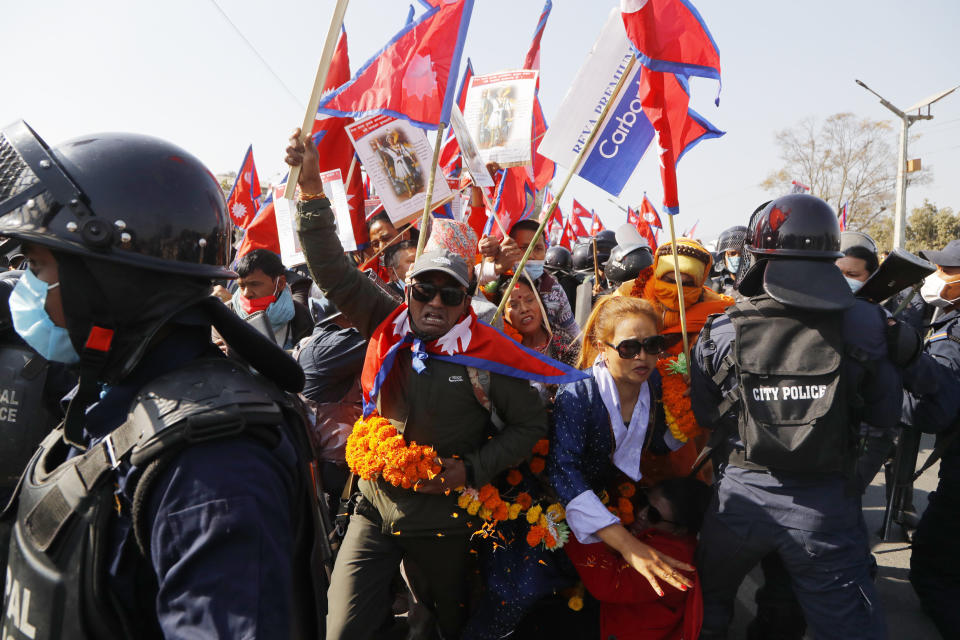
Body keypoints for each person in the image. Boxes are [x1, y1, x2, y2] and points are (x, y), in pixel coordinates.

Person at [0, 121, 323, 638]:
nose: (26, 289)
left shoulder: (213, 464)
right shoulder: (113, 399)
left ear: (109, 286)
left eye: (38, 267)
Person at [286, 129, 580, 640]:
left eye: (450, 293)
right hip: (372, 510)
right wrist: (311, 191)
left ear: (468, 300)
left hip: (446, 525)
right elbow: (333, 272)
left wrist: (470, 468)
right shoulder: (385, 320)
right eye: (425, 288)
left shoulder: (488, 356)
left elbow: (529, 423)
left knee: (443, 629)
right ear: (409, 289)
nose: (436, 303)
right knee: (342, 630)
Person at [690, 194, 906, 639]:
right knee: (846, 625)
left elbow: (705, 412)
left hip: (739, 503)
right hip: (825, 506)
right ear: (831, 252)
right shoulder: (869, 324)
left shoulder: (721, 327)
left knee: (707, 611)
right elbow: (886, 418)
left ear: (758, 254)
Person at [550, 295, 695, 597]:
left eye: (652, 345)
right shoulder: (578, 392)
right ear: (603, 348)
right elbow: (563, 471)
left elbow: (653, 442)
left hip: (616, 500)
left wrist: (688, 420)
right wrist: (628, 545)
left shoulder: (656, 384)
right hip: (562, 506)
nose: (642, 357)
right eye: (629, 348)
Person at [565, 477, 712, 640]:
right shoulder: (665, 531)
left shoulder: (675, 562)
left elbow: (608, 584)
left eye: (653, 515)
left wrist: (571, 523)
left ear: (680, 531)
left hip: (620, 628)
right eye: (643, 501)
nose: (641, 514)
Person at [907, 239, 960, 637]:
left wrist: (890, 396)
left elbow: (934, 412)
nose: (935, 277)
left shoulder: (952, 335)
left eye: (945, 270)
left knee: (933, 564)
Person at [231, 248, 313, 349]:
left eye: (255, 284)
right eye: (242, 286)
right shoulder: (226, 313)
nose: (247, 293)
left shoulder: (300, 316)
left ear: (280, 283)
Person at [707, 225, 747, 297]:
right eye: (732, 254)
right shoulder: (716, 287)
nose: (737, 257)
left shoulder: (762, 282)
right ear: (723, 257)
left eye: (742, 253)